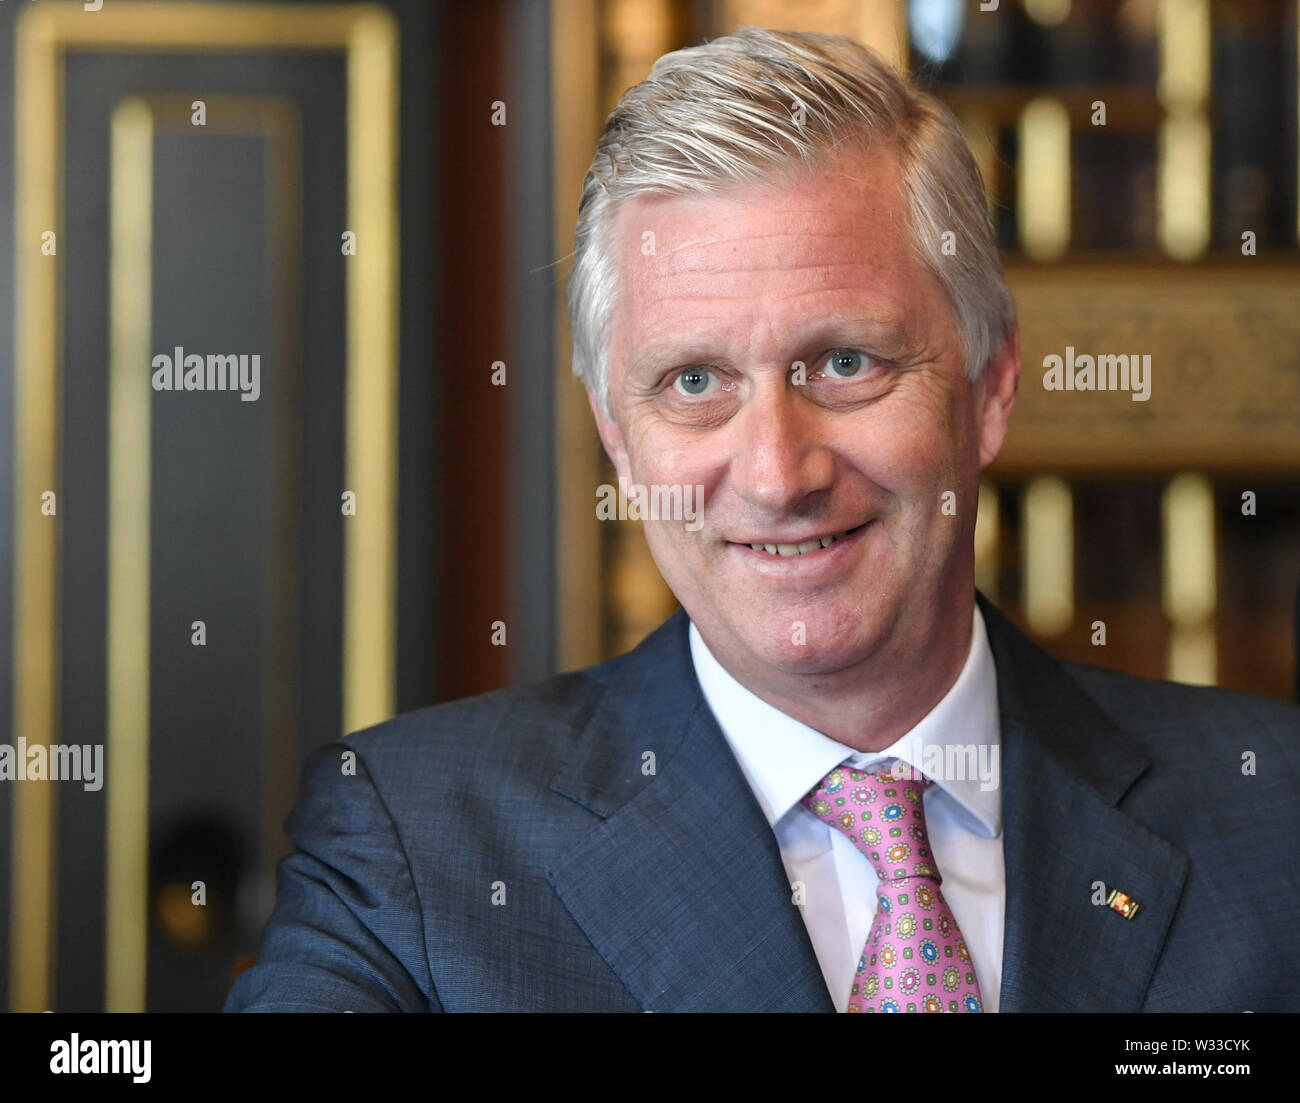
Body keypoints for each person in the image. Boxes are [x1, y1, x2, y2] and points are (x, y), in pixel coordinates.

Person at [225, 27, 1300, 1013]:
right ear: (616, 432)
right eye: (694, 380)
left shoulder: (1274, 815)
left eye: (844, 364)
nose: (778, 473)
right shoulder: (415, 849)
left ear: (988, 385)